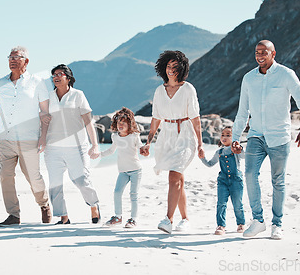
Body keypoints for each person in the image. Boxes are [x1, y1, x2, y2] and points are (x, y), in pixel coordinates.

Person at [231, 40, 300, 240]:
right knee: (249, 174)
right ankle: (258, 221)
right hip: (256, 135)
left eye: (263, 52)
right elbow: (243, 112)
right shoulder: (249, 78)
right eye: (256, 52)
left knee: (278, 181)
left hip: (279, 137)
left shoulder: (286, 75)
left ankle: (277, 224)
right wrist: (235, 137)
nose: (259, 56)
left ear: (273, 53)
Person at [0, 46, 52, 227]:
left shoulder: (37, 82)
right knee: (5, 176)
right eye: (10, 57)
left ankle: (44, 205)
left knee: (33, 176)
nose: (12, 60)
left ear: (26, 61)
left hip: (29, 139)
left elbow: (45, 113)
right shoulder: (0, 83)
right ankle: (13, 214)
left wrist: (43, 137)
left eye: (17, 57)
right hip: (6, 139)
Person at [140, 50, 204, 234]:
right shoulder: (160, 91)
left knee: (174, 176)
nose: (171, 70)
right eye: (168, 66)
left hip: (185, 135)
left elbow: (196, 118)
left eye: (175, 67)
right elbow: (155, 119)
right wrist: (148, 142)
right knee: (179, 179)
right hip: (166, 136)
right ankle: (185, 219)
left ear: (182, 68)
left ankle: (168, 219)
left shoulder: (188, 89)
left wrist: (200, 144)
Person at [44, 64, 101, 225]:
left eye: (60, 74)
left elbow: (88, 121)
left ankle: (93, 205)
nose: (56, 76)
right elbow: (44, 121)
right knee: (55, 184)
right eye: (53, 74)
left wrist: (94, 144)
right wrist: (41, 141)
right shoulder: (49, 97)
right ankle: (64, 217)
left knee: (82, 180)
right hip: (53, 148)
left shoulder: (78, 95)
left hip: (77, 147)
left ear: (68, 78)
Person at [95, 107, 143, 229]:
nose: (120, 125)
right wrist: (99, 154)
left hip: (135, 170)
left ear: (129, 124)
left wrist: (145, 150)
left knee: (133, 194)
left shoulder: (134, 136)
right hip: (123, 171)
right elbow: (111, 151)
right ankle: (118, 216)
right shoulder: (115, 137)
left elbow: (140, 147)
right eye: (119, 122)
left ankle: (133, 219)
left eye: (123, 122)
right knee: (117, 192)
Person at [200, 126, 245, 235]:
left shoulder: (236, 150)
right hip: (223, 181)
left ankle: (241, 224)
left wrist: (240, 148)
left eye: (228, 135)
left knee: (237, 204)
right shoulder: (218, 152)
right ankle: (221, 225)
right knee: (221, 203)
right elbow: (210, 164)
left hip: (236, 180)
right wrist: (202, 158)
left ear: (234, 137)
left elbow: (244, 156)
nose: (224, 137)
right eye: (223, 135)